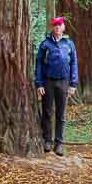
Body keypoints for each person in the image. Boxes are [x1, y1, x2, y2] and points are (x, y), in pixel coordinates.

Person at [35, 16, 78, 156]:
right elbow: (39, 64)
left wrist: (73, 83)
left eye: (59, 25)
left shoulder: (69, 44)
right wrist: (39, 83)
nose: (57, 27)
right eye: (55, 25)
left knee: (61, 113)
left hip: (64, 82)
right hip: (48, 81)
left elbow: (74, 64)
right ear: (52, 27)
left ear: (63, 27)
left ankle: (59, 143)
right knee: (47, 112)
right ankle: (47, 140)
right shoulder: (45, 44)